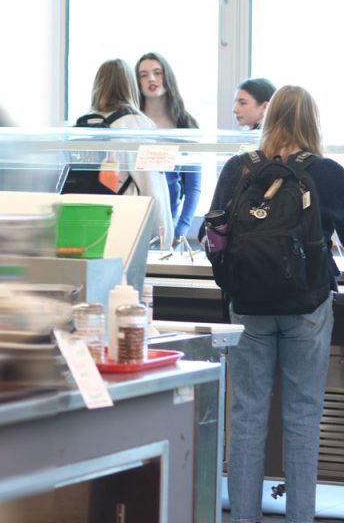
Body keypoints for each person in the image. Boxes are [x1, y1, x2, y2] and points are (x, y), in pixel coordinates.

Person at [208, 86, 344, 523]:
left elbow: (213, 237)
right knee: (302, 419)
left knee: (246, 416)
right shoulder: (326, 173)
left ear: (269, 118)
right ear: (312, 122)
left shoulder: (238, 168)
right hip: (307, 307)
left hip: (248, 307)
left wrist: (231, 287)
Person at [82, 59, 174, 245]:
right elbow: (152, 187)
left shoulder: (82, 124)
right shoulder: (139, 126)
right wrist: (164, 238)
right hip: (125, 223)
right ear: (130, 85)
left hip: (87, 222)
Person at [135, 52, 201, 244]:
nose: (152, 79)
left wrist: (182, 227)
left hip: (169, 220)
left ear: (167, 76)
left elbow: (193, 186)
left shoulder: (186, 124)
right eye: (144, 75)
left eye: (157, 72)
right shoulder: (132, 123)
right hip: (136, 215)